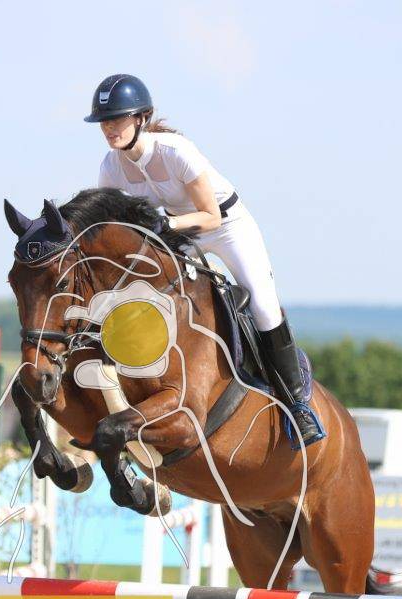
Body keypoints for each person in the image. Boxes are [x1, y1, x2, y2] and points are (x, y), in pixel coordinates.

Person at [85, 73, 325, 447]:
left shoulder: (176, 151)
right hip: (176, 233)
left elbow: (210, 216)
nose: (109, 128)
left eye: (116, 119)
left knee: (263, 305)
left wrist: (166, 224)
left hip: (226, 225)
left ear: (141, 118)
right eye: (104, 122)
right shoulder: (110, 168)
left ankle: (297, 405)